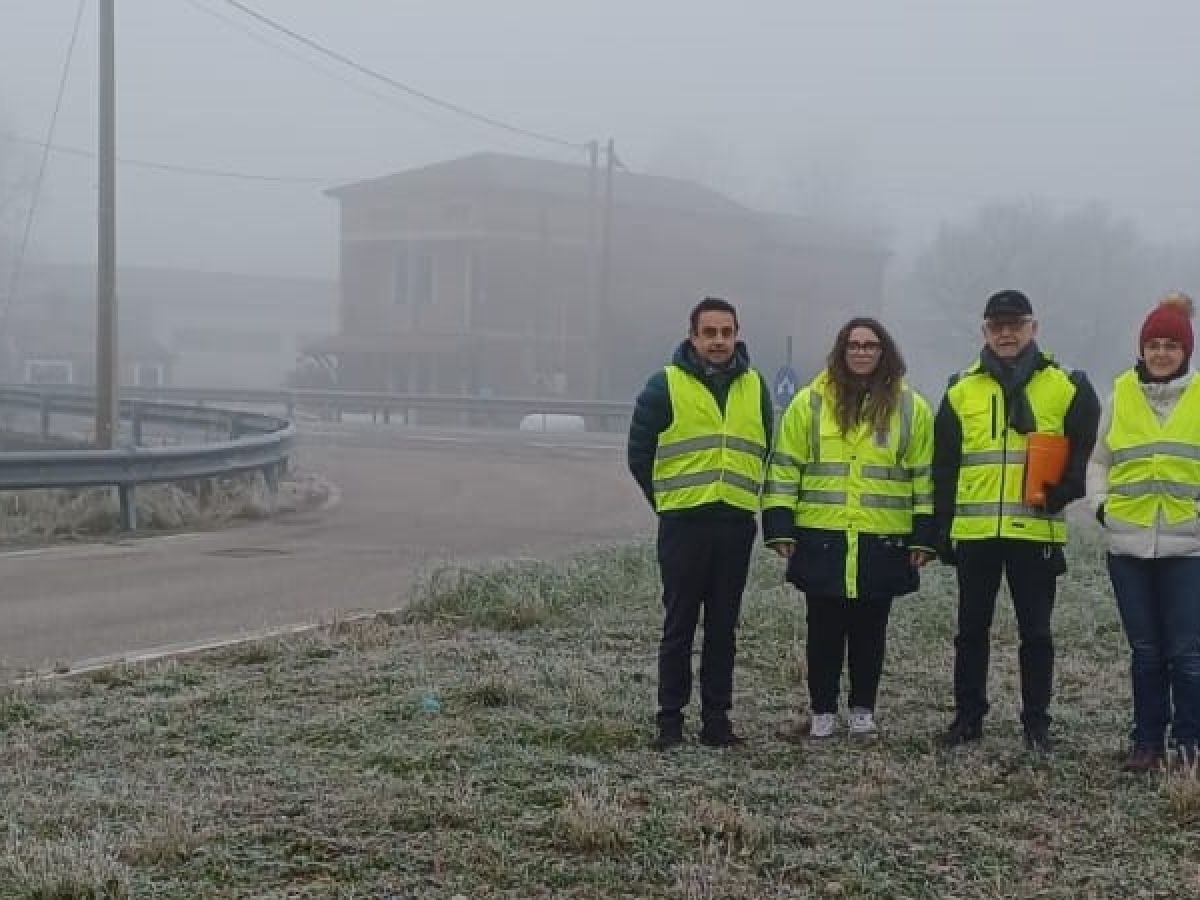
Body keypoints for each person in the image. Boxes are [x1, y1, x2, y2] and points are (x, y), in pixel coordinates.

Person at [933, 289, 1100, 752]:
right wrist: (940, 527)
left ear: (1034, 327)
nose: (1006, 333)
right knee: (970, 632)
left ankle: (1036, 723)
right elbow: (944, 465)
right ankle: (968, 717)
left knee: (1037, 633)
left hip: (1035, 530)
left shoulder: (1068, 385)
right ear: (985, 331)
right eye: (996, 325)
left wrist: (1062, 493)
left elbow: (1084, 454)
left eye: (1015, 324)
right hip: (976, 532)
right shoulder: (959, 388)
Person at [763, 317, 935, 739]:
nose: (861, 352)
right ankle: (822, 710)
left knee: (871, 631)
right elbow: (785, 466)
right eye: (853, 345)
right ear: (841, 351)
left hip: (883, 536)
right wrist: (780, 526)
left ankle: (862, 710)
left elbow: (924, 475)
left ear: (884, 351)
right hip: (823, 535)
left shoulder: (911, 406)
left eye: (870, 345)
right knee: (822, 630)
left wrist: (925, 535)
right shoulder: (809, 403)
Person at [627, 296, 774, 750]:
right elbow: (639, 455)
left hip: (734, 525)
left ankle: (716, 721)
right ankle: (669, 721)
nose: (718, 341)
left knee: (724, 629)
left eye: (726, 332)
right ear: (693, 336)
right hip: (684, 526)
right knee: (679, 626)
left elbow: (764, 447)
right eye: (709, 332)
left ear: (736, 335)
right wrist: (668, 502)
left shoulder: (755, 387)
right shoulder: (664, 385)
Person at [1086, 292, 1200, 772]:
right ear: (1142, 348)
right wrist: (1101, 506)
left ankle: (1190, 743)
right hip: (1128, 544)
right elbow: (1098, 460)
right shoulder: (1119, 395)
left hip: (1188, 547)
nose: (1160, 353)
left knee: (1188, 654)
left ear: (1185, 352)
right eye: (1153, 344)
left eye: (1171, 345)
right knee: (1146, 652)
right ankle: (1147, 742)